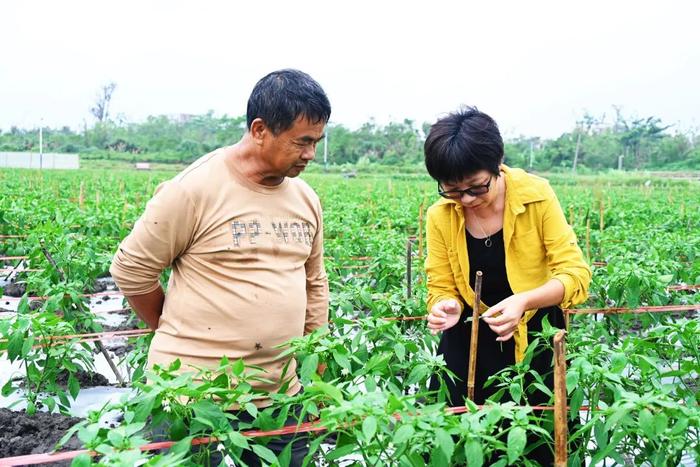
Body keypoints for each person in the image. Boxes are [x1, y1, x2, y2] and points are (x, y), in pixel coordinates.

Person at [110, 69, 331, 466]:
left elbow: (313, 282)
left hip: (281, 394)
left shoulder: (305, 198)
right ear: (260, 129)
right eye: (302, 141)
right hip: (189, 396)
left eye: (317, 141)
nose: (310, 154)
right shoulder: (193, 189)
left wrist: (314, 377)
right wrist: (170, 327)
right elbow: (131, 270)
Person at [423, 107, 591, 463]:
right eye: (452, 190)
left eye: (476, 187)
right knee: (463, 445)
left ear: (497, 164)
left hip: (536, 342)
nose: (466, 200)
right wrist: (445, 305)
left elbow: (575, 275)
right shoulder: (440, 215)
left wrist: (524, 301)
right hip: (467, 346)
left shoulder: (537, 196)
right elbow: (439, 284)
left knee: (540, 442)